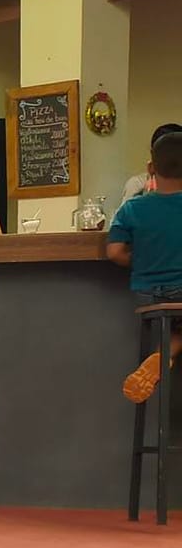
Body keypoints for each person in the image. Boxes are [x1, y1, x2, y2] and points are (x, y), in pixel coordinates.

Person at [112, 123, 182, 403]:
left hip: (147, 297)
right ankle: (166, 353)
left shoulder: (132, 208)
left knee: (175, 318)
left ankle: (164, 353)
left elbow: (115, 252)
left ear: (151, 168)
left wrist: (142, 259)